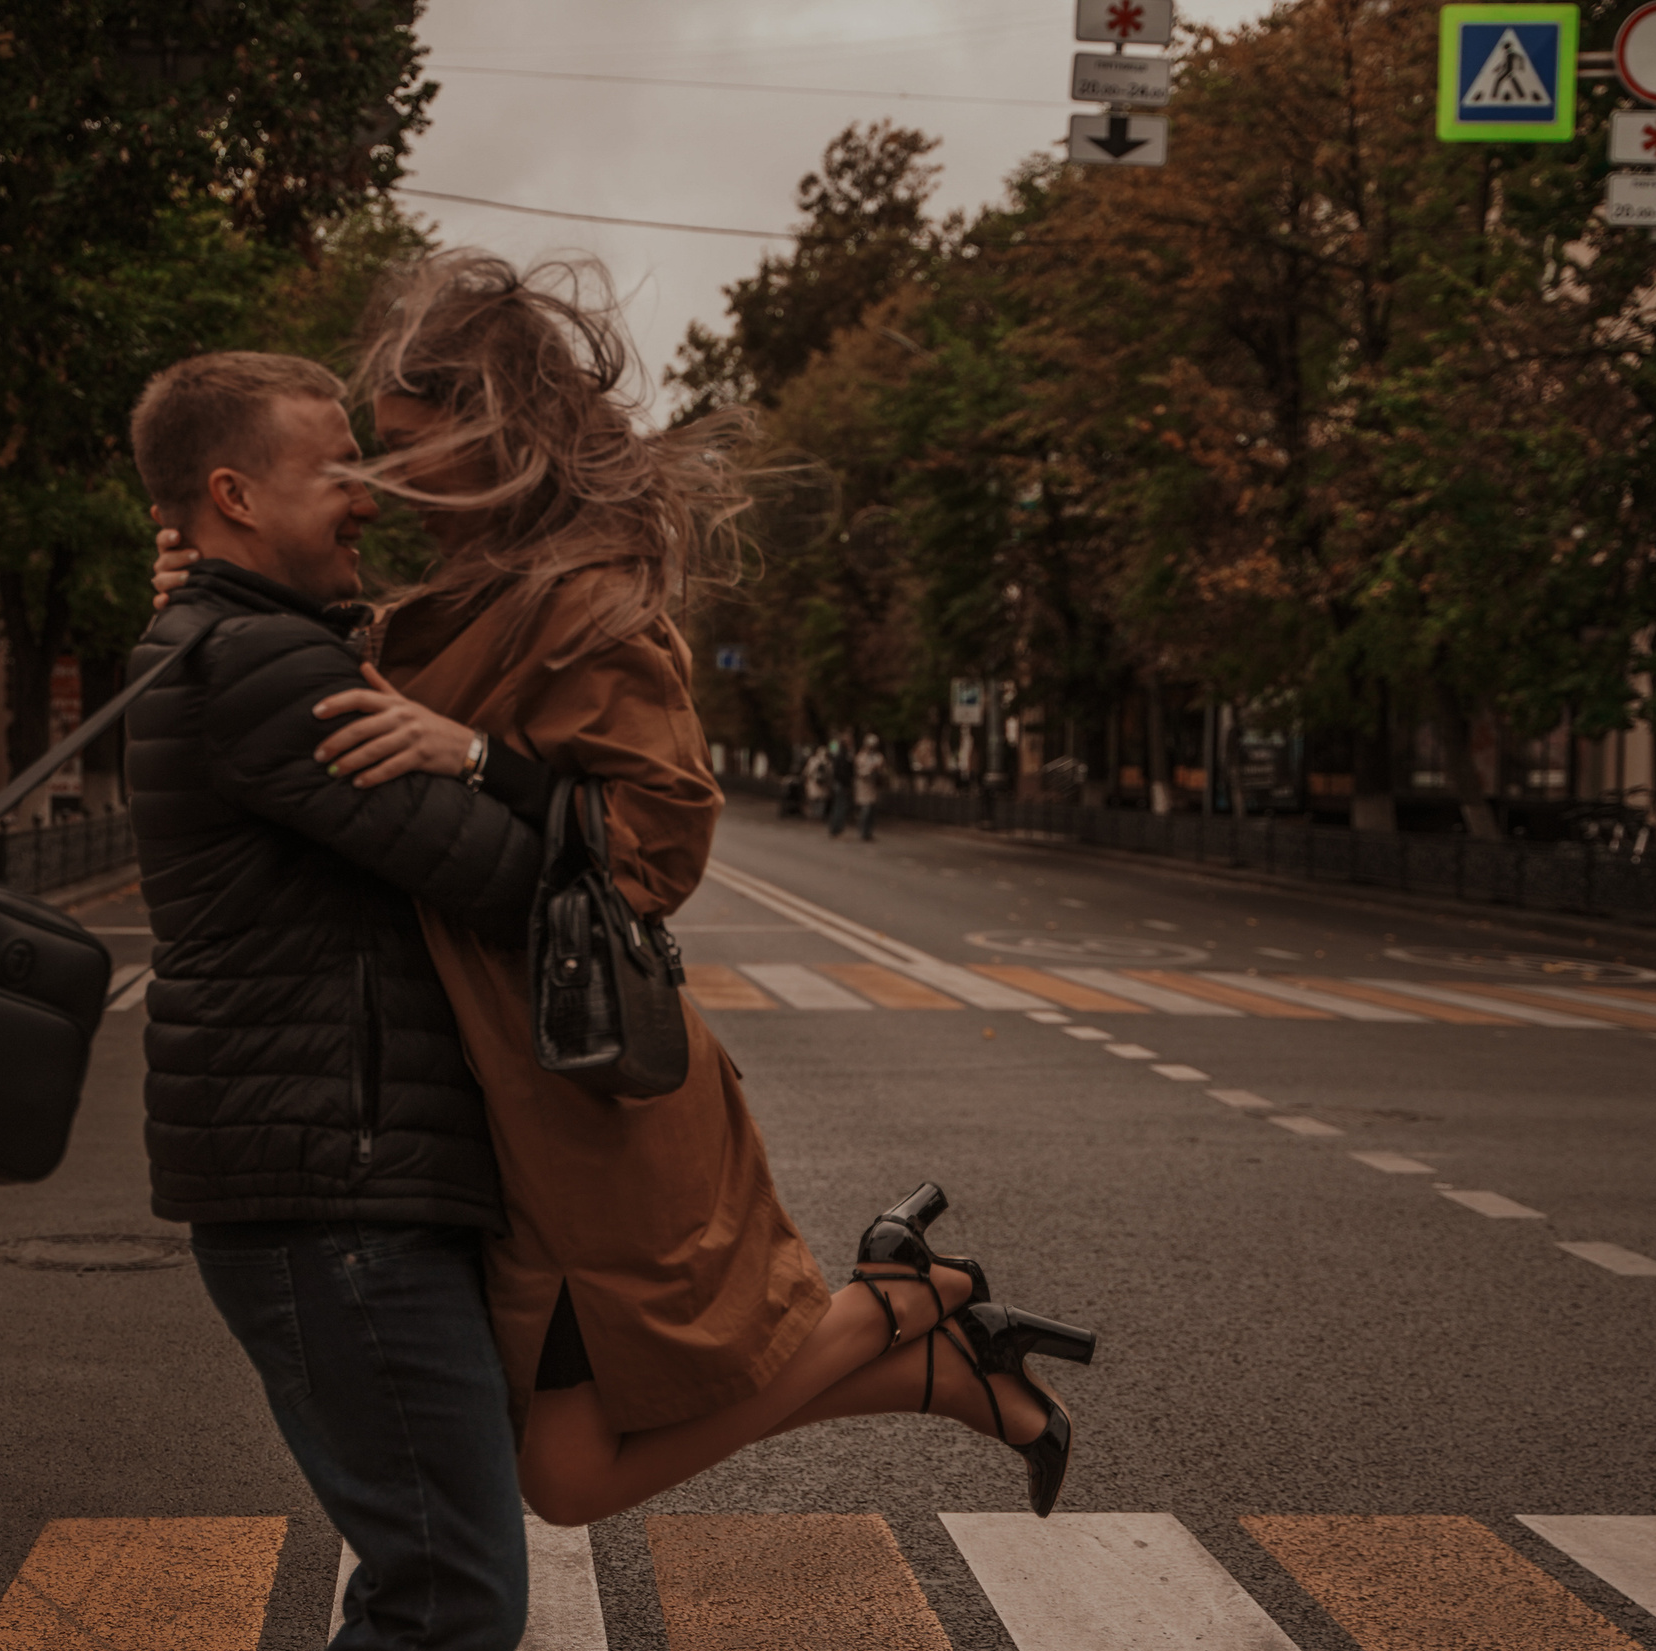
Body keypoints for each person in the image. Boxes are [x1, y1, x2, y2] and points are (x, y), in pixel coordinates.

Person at [152, 253, 1098, 1533]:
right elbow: (321, 682)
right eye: (369, 456)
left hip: (582, 1099)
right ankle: (930, 1358)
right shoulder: (462, 594)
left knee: (566, 1476)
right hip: (505, 1095)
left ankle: (897, 1307)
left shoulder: (587, 603)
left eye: (404, 449)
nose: (380, 486)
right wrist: (218, 587)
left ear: (490, 438)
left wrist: (478, 759)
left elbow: (661, 846)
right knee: (563, 1470)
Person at [122, 350, 553, 1651]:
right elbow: (509, 876)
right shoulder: (263, 667)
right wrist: (492, 761)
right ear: (236, 497)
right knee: (448, 1598)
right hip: (336, 1192)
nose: (370, 494)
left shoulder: (249, 642)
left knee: (439, 1586)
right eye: (340, 470)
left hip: (335, 1176)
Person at [853, 732, 888, 842]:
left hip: (874, 787)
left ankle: (868, 832)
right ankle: (862, 831)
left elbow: (883, 771)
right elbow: (859, 771)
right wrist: (870, 770)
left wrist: (879, 772)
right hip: (864, 786)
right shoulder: (861, 756)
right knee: (866, 810)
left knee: (872, 811)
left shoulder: (878, 757)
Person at [825, 734, 854, 838]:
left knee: (838, 806)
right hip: (841, 783)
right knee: (840, 807)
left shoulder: (842, 754)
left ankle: (836, 829)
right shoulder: (844, 755)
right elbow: (842, 771)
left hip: (840, 783)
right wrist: (846, 782)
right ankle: (836, 829)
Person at [800, 745, 833, 826]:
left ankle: (814, 816)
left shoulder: (813, 761)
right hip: (820, 785)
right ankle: (818, 816)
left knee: (814, 801)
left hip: (814, 784)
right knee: (820, 801)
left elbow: (806, 772)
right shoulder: (827, 762)